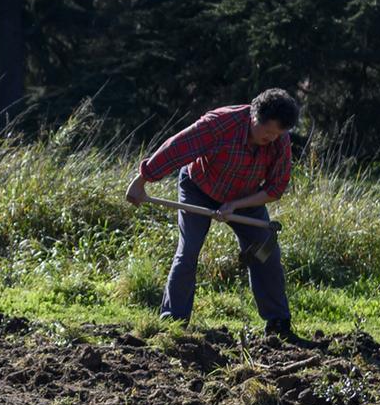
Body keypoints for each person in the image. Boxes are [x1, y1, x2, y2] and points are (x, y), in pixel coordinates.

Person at [126, 89, 300, 337]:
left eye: (278, 134)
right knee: (188, 252)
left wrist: (235, 205)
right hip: (199, 187)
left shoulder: (279, 142)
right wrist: (142, 180)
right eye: (268, 132)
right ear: (254, 117)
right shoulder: (220, 123)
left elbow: (275, 189)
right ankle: (172, 324)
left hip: (246, 198)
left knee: (266, 254)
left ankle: (278, 324)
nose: (272, 138)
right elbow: (177, 149)